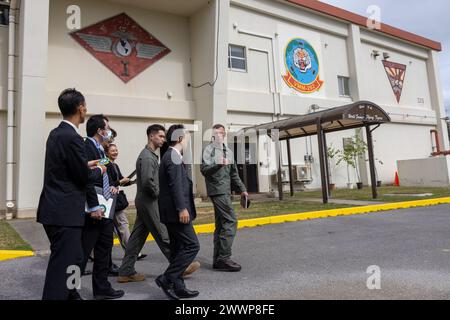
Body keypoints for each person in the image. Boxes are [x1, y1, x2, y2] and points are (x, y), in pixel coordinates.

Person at [37, 88, 104, 300]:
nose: (86, 111)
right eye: (85, 106)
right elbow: (82, 178)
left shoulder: (56, 133)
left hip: (54, 209)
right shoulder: (74, 138)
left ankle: (71, 295)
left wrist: (85, 164)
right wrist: (99, 170)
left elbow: (64, 168)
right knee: (62, 268)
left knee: (74, 258)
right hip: (65, 213)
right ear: (80, 108)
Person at [118, 125, 200, 283]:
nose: (163, 139)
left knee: (137, 238)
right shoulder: (148, 157)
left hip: (143, 200)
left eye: (164, 137)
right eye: (161, 136)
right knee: (164, 235)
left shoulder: (149, 155)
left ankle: (126, 270)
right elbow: (149, 182)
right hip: (149, 200)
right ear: (151, 136)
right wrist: (159, 194)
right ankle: (179, 267)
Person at [81, 114, 124, 300]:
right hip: (94, 209)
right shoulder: (86, 146)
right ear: (100, 130)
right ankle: (70, 290)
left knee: (104, 249)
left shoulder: (100, 149)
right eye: (107, 127)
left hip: (106, 206)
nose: (109, 131)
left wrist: (113, 184)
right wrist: (93, 206)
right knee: (81, 254)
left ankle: (102, 288)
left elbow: (103, 171)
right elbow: (87, 180)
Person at [155, 124, 200, 300]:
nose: (188, 140)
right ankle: (167, 278)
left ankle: (178, 286)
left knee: (177, 249)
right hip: (176, 212)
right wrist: (182, 208)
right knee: (192, 245)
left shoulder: (171, 155)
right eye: (187, 137)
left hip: (170, 212)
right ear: (180, 138)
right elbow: (175, 186)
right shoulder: (172, 156)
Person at [200, 124, 248, 272]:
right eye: (215, 133)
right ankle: (224, 258)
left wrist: (243, 190)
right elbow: (204, 170)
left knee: (221, 224)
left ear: (224, 135)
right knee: (231, 220)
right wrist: (218, 165)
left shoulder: (228, 152)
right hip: (217, 191)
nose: (217, 136)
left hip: (226, 191)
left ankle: (218, 260)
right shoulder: (208, 151)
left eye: (220, 133)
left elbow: (234, 174)